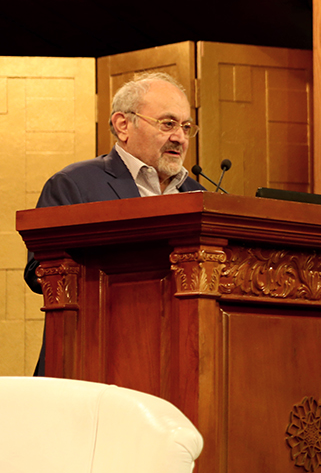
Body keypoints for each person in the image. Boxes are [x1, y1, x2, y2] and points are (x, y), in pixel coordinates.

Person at [23, 72, 206, 373]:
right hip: (92, 358)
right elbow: (39, 274)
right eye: (168, 124)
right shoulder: (74, 185)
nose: (180, 138)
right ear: (123, 125)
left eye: (186, 127)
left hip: (177, 362)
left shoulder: (198, 195)